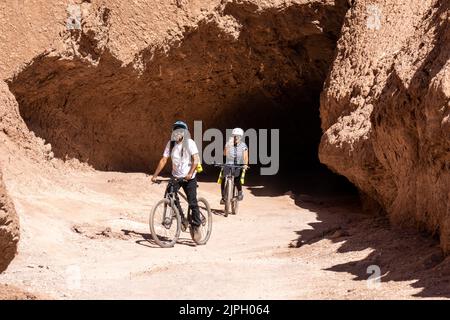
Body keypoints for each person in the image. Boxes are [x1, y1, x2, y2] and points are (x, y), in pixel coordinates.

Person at [151, 121, 201, 240]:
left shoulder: (190, 143)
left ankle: (196, 225)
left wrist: (190, 173)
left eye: (180, 130)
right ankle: (182, 219)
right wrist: (155, 175)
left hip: (189, 177)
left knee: (192, 202)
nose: (178, 133)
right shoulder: (171, 143)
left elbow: (196, 159)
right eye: (176, 130)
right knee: (169, 195)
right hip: (176, 176)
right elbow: (164, 159)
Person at [220, 127, 249, 204]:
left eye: (238, 136)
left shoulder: (243, 145)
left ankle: (239, 192)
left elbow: (245, 156)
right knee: (223, 178)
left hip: (238, 164)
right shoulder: (229, 143)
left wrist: (245, 165)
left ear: (241, 137)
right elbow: (225, 154)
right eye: (234, 136)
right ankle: (223, 197)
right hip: (229, 163)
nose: (236, 137)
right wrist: (229, 145)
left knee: (237, 179)